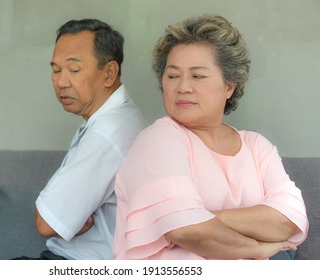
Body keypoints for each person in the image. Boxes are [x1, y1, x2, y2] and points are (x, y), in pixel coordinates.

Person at [112, 14, 309, 260]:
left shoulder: (258, 147)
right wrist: (258, 248)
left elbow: (290, 220)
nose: (183, 86)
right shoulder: (158, 140)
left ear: (230, 86)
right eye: (173, 76)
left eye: (198, 76)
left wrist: (203, 215)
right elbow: (188, 231)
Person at [31, 18, 147, 260]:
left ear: (109, 73)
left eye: (74, 70)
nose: (61, 82)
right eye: (55, 70)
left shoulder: (107, 132)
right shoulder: (117, 117)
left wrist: (65, 216)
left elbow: (46, 224)